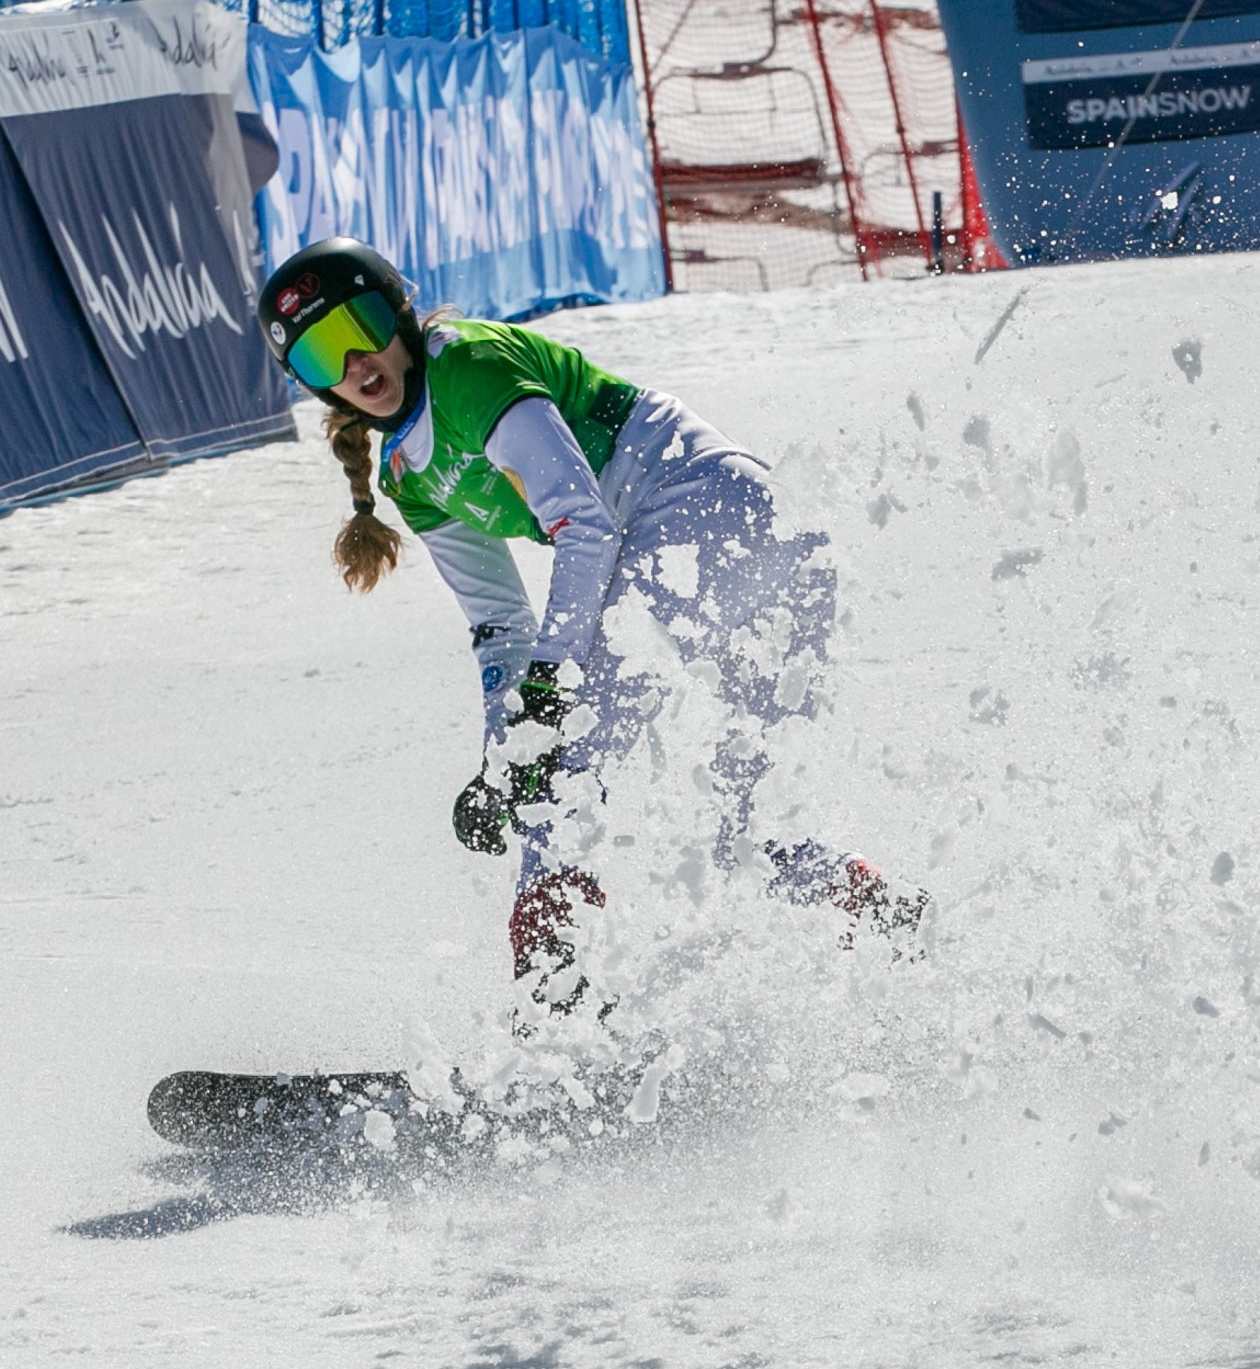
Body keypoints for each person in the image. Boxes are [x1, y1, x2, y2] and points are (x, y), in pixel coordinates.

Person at [254, 238, 919, 1001]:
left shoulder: (465, 365)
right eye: (318, 360)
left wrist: (545, 705)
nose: (353, 367)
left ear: (399, 309)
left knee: (564, 767)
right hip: (756, 539)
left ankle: (552, 1011)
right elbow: (499, 626)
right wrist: (501, 760)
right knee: (735, 828)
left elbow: (585, 525)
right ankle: (892, 919)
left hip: (701, 516)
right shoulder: (408, 478)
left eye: (359, 330)